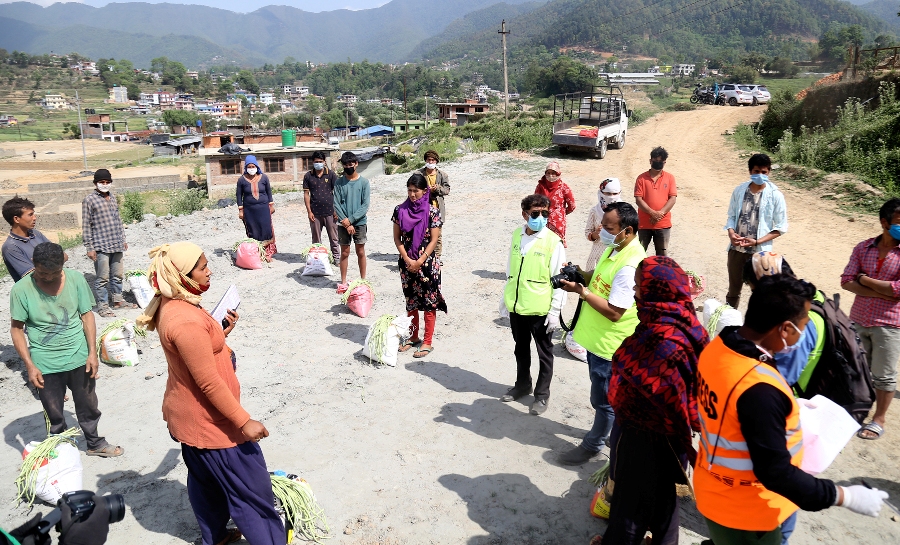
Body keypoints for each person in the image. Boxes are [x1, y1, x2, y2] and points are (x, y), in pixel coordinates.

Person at [694, 275, 889, 545]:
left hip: (712, 487)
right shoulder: (760, 389)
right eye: (803, 325)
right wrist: (847, 496)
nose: (805, 330)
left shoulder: (718, 348)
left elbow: (733, 412)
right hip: (749, 510)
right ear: (785, 329)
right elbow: (776, 474)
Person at [136, 242, 284, 545]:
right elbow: (209, 383)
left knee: (207, 483)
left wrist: (219, 334)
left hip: (189, 420)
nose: (209, 270)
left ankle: (215, 537)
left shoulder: (176, 304)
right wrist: (244, 421)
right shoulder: (185, 320)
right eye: (202, 267)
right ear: (183, 275)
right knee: (252, 492)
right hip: (211, 423)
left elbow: (195, 355)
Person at [602, 256, 709, 545]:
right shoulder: (687, 325)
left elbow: (647, 388)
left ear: (656, 291)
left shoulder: (662, 340)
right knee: (664, 502)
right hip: (674, 438)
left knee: (629, 509)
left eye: (639, 287)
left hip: (645, 439)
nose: (635, 293)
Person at [10, 242, 123, 458]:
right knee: (53, 411)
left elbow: (87, 315)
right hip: (45, 362)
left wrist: (92, 353)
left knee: (89, 405)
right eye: (43, 273)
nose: (50, 278)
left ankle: (94, 443)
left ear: (64, 262)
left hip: (79, 356)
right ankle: (62, 449)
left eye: (55, 272)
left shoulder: (75, 279)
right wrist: (30, 366)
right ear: (34, 264)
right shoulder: (21, 290)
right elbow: (16, 330)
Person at [557, 202, 646, 464]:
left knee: (603, 400)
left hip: (609, 346)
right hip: (598, 340)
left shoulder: (629, 265)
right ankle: (612, 433)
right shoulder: (616, 248)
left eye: (608, 228)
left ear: (626, 230)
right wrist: (578, 275)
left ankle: (593, 444)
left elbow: (615, 312)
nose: (602, 231)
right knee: (607, 398)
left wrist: (581, 292)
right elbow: (595, 278)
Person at [840, 197, 900, 440]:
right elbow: (846, 280)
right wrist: (884, 289)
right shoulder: (863, 247)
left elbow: (898, 289)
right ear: (884, 222)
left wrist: (864, 280)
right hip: (859, 319)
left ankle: (878, 419)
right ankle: (856, 410)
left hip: (890, 324)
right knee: (856, 369)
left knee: (884, 374)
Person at [501, 194, 566, 416]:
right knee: (520, 349)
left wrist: (555, 311)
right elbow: (510, 269)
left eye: (545, 213)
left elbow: (559, 279)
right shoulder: (517, 235)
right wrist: (505, 299)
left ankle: (542, 395)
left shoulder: (553, 242)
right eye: (535, 213)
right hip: (517, 306)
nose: (540, 217)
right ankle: (522, 385)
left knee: (544, 353)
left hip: (540, 309)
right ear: (524, 214)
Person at [743, 252, 825, 395]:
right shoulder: (805, 297)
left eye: (754, 290)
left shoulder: (799, 322)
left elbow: (779, 382)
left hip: (797, 402)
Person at [392, 173, 447, 359]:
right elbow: (397, 238)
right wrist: (408, 260)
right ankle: (414, 336)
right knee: (411, 301)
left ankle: (428, 341)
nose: (412, 194)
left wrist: (420, 260)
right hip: (407, 263)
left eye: (416, 191)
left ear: (425, 191)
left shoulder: (432, 212)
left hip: (428, 263)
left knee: (429, 301)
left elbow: (434, 239)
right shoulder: (400, 210)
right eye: (409, 190)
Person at [724, 153, 788, 307]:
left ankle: (757, 327)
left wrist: (757, 241)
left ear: (769, 172)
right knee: (733, 291)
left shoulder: (775, 196)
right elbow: (731, 216)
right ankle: (728, 324)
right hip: (736, 250)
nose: (760, 175)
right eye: (756, 172)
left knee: (761, 292)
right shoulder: (739, 191)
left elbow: (780, 227)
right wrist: (731, 233)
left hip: (759, 253)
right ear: (750, 172)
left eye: (764, 172)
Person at [82, 169, 136, 318]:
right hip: (100, 245)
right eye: (102, 182)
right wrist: (89, 247)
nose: (105, 185)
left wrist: (123, 239)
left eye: (107, 182)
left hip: (116, 243)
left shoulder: (112, 197)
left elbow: (118, 220)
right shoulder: (89, 200)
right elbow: (86, 224)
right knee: (102, 278)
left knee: (118, 275)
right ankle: (103, 306)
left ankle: (118, 301)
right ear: (95, 183)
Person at [333, 151, 370, 293]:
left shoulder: (364, 182)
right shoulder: (339, 183)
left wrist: (352, 220)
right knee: (345, 252)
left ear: (356, 164)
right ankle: (343, 282)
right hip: (343, 223)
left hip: (360, 222)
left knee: (360, 251)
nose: (349, 166)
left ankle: (363, 279)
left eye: (351, 164)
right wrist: (346, 223)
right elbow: (336, 204)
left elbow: (365, 205)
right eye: (346, 164)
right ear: (342, 165)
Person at [634, 147, 676, 257]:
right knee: (639, 254)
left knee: (662, 256)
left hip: (663, 224)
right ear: (650, 161)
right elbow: (638, 200)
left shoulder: (670, 178)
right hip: (644, 224)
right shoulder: (641, 178)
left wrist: (659, 214)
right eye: (655, 160)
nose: (657, 163)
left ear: (664, 162)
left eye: (660, 161)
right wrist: (652, 213)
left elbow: (672, 198)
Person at [236, 155, 277, 262]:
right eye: (249, 166)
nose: (251, 168)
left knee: (266, 229)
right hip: (249, 210)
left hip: (264, 208)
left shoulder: (264, 178)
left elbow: (269, 192)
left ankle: (267, 254)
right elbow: (239, 196)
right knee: (253, 231)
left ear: (256, 166)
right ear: (246, 167)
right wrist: (241, 210)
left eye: (253, 166)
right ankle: (256, 254)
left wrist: (271, 205)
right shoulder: (241, 180)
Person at [2, 197, 52, 282]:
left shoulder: (36, 234)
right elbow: (34, 276)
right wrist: (54, 262)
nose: (34, 218)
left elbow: (63, 255)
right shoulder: (10, 247)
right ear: (16, 219)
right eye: (30, 214)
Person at [303, 150, 340, 264]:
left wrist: (336, 210)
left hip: (330, 212)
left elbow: (337, 192)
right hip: (315, 213)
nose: (318, 163)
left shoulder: (331, 174)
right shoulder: (308, 176)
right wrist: (309, 212)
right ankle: (318, 259)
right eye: (316, 162)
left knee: (334, 238)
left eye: (320, 161)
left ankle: (337, 259)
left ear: (324, 162)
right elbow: (306, 194)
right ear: (312, 162)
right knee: (316, 239)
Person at [418, 150, 450, 260]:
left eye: (433, 160)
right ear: (425, 160)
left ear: (436, 161)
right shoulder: (418, 174)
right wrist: (426, 190)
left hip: (437, 209)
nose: (430, 162)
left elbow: (447, 190)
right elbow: (414, 189)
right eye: (428, 160)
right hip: (422, 209)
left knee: (437, 235)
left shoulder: (442, 175)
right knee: (422, 233)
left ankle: (437, 257)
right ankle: (424, 255)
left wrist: (438, 188)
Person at [534, 161, 575, 247]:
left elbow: (572, 205)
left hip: (557, 223)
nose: (550, 176)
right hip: (542, 219)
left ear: (558, 174)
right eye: (548, 173)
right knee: (541, 245)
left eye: (553, 173)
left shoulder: (564, 188)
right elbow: (535, 201)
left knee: (556, 245)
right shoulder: (541, 186)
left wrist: (561, 213)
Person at [585, 178, 622, 270]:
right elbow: (588, 232)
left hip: (616, 254)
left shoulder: (624, 211)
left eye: (615, 194)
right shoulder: (595, 211)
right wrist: (596, 234)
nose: (612, 197)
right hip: (597, 253)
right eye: (608, 194)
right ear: (601, 193)